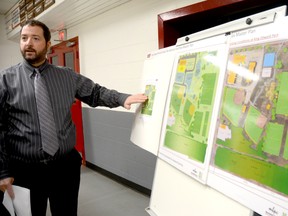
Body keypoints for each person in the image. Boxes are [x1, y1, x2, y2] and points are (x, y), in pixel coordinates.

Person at [0, 19, 147, 216]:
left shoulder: (67, 76)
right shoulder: (5, 80)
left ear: (47, 44)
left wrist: (122, 98)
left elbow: (95, 93)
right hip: (25, 170)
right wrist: (3, 171)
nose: (28, 43)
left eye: (35, 38)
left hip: (64, 167)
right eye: (24, 38)